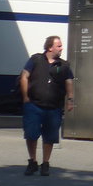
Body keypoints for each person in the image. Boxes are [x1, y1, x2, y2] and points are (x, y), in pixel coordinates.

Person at [20, 34, 74, 176]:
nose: (62, 48)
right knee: (31, 134)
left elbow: (69, 82)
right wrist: (25, 97)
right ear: (50, 47)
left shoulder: (63, 65)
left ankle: (45, 163)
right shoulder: (35, 60)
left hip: (54, 107)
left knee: (50, 137)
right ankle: (32, 161)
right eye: (59, 46)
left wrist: (70, 99)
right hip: (33, 105)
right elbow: (24, 76)